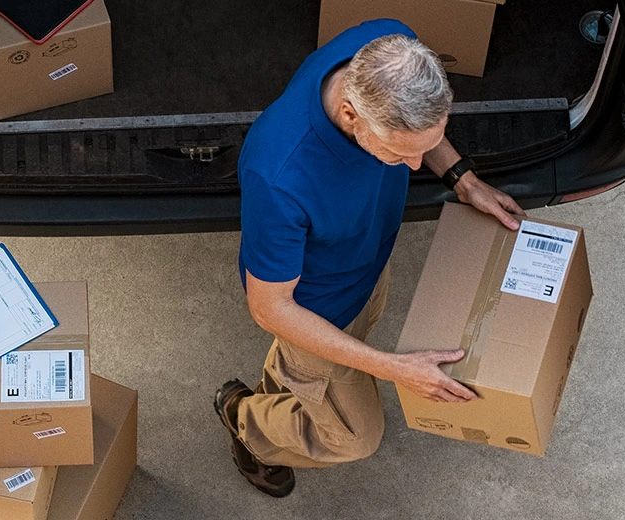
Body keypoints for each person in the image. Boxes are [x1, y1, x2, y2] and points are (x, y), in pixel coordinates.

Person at [212, 19, 526, 497]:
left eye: (426, 147)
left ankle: (287, 381)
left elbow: (420, 135)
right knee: (355, 437)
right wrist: (392, 367)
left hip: (367, 265)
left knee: (311, 373)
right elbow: (269, 308)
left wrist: (464, 179)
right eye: (400, 154)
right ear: (351, 115)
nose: (419, 166)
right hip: (317, 310)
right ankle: (246, 423)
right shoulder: (279, 176)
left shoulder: (389, 48)